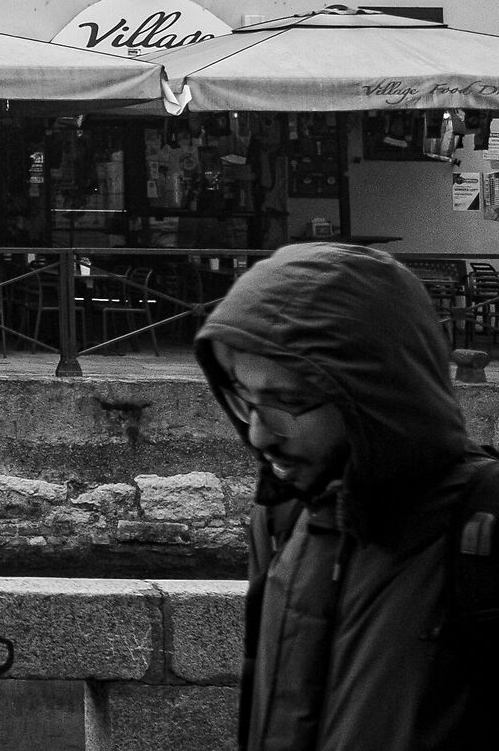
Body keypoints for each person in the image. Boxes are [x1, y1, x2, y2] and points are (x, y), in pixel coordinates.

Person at [193, 241, 499, 750]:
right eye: (244, 398)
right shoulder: (283, 515)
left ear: (377, 395)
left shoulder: (482, 533)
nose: (260, 435)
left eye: (289, 401)